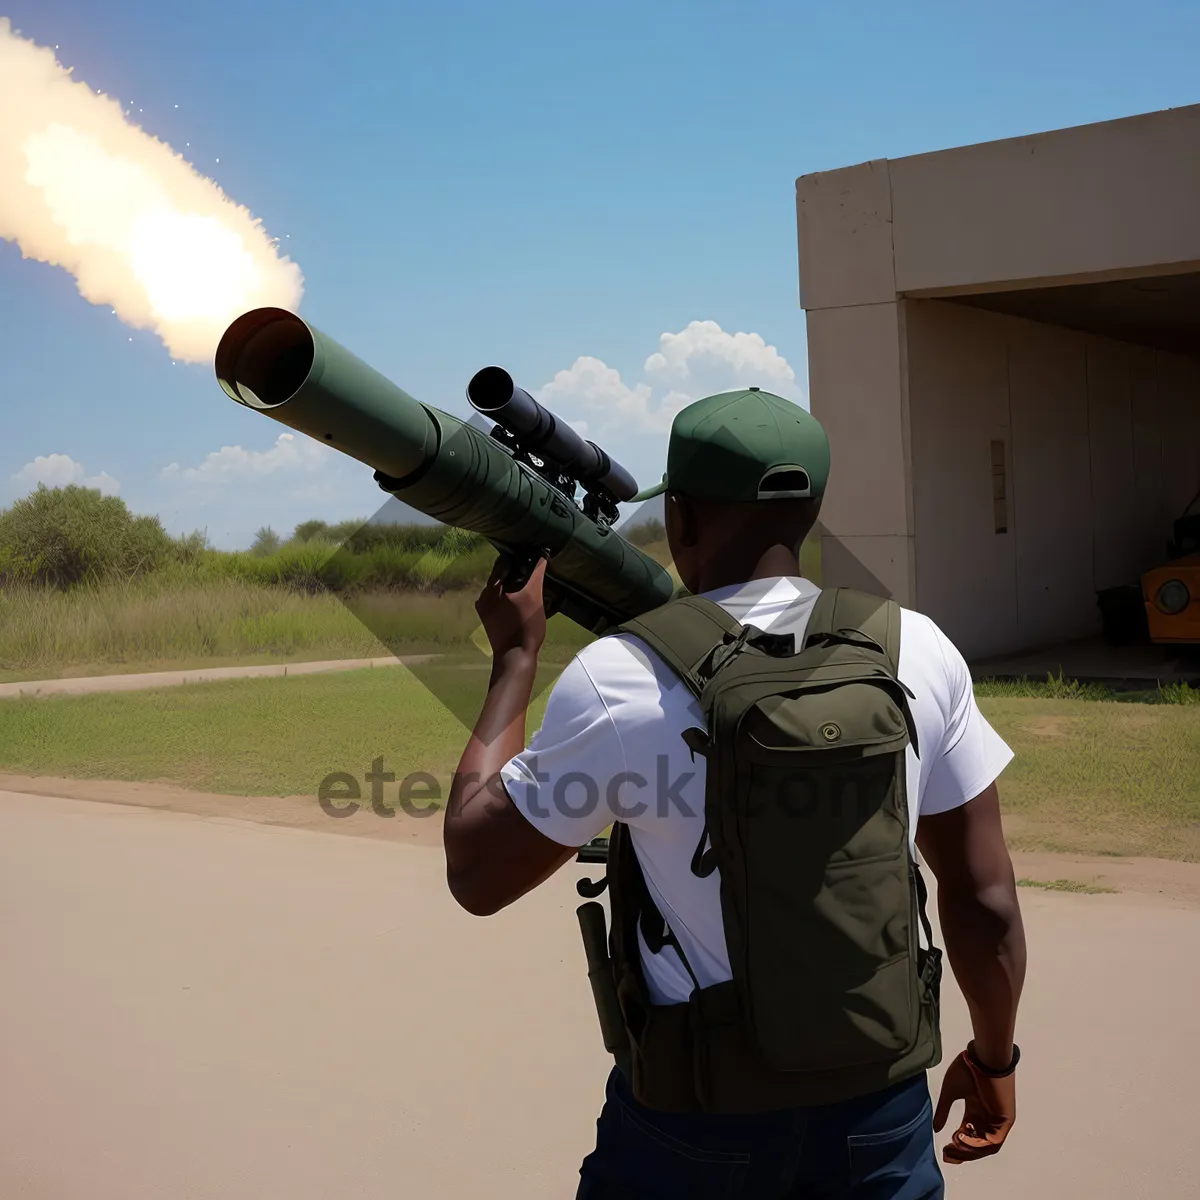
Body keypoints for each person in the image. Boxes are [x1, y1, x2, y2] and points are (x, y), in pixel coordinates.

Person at [443, 387, 1027, 1199]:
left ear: (679, 519)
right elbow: (985, 897)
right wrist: (995, 1059)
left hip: (694, 1123)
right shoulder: (918, 648)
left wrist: (514, 660)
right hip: (879, 1111)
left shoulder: (620, 676)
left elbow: (476, 872)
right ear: (811, 510)